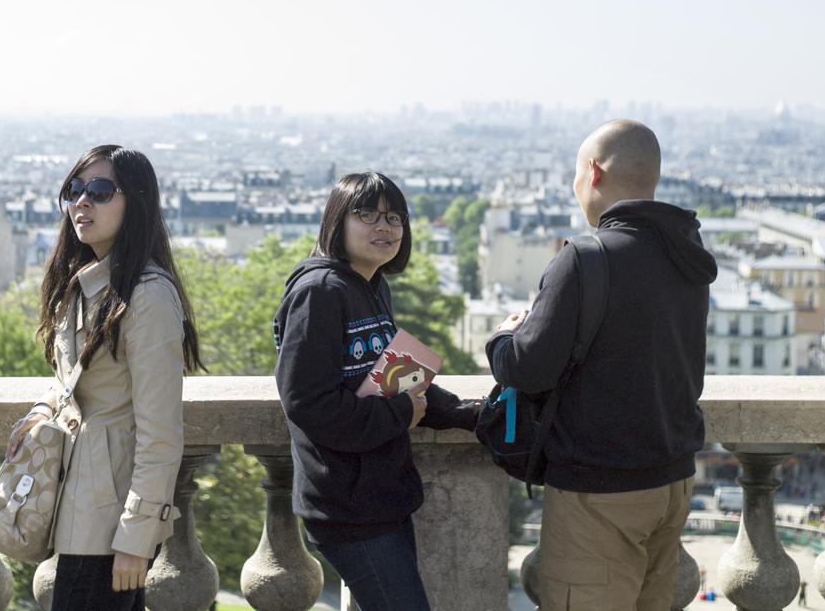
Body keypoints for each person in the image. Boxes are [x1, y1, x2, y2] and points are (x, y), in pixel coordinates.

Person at [487, 120, 717, 611]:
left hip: (601, 489)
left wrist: (505, 335)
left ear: (593, 172)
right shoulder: (690, 255)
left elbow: (526, 369)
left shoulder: (587, 259)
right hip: (673, 480)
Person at [6, 145, 201, 611]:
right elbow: (75, 384)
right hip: (82, 506)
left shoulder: (147, 297)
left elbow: (161, 433)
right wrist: (42, 409)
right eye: (74, 190)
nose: (82, 202)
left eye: (99, 190)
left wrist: (135, 537)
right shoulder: (88, 284)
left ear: (135, 202)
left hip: (108, 520)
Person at [273, 172, 480, 611]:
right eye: (366, 214)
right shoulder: (319, 292)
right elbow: (309, 404)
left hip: (379, 495)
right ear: (337, 221)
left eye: (395, 217)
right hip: (346, 505)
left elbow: (395, 375)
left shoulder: (372, 285)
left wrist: (468, 413)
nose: (384, 227)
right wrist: (402, 413)